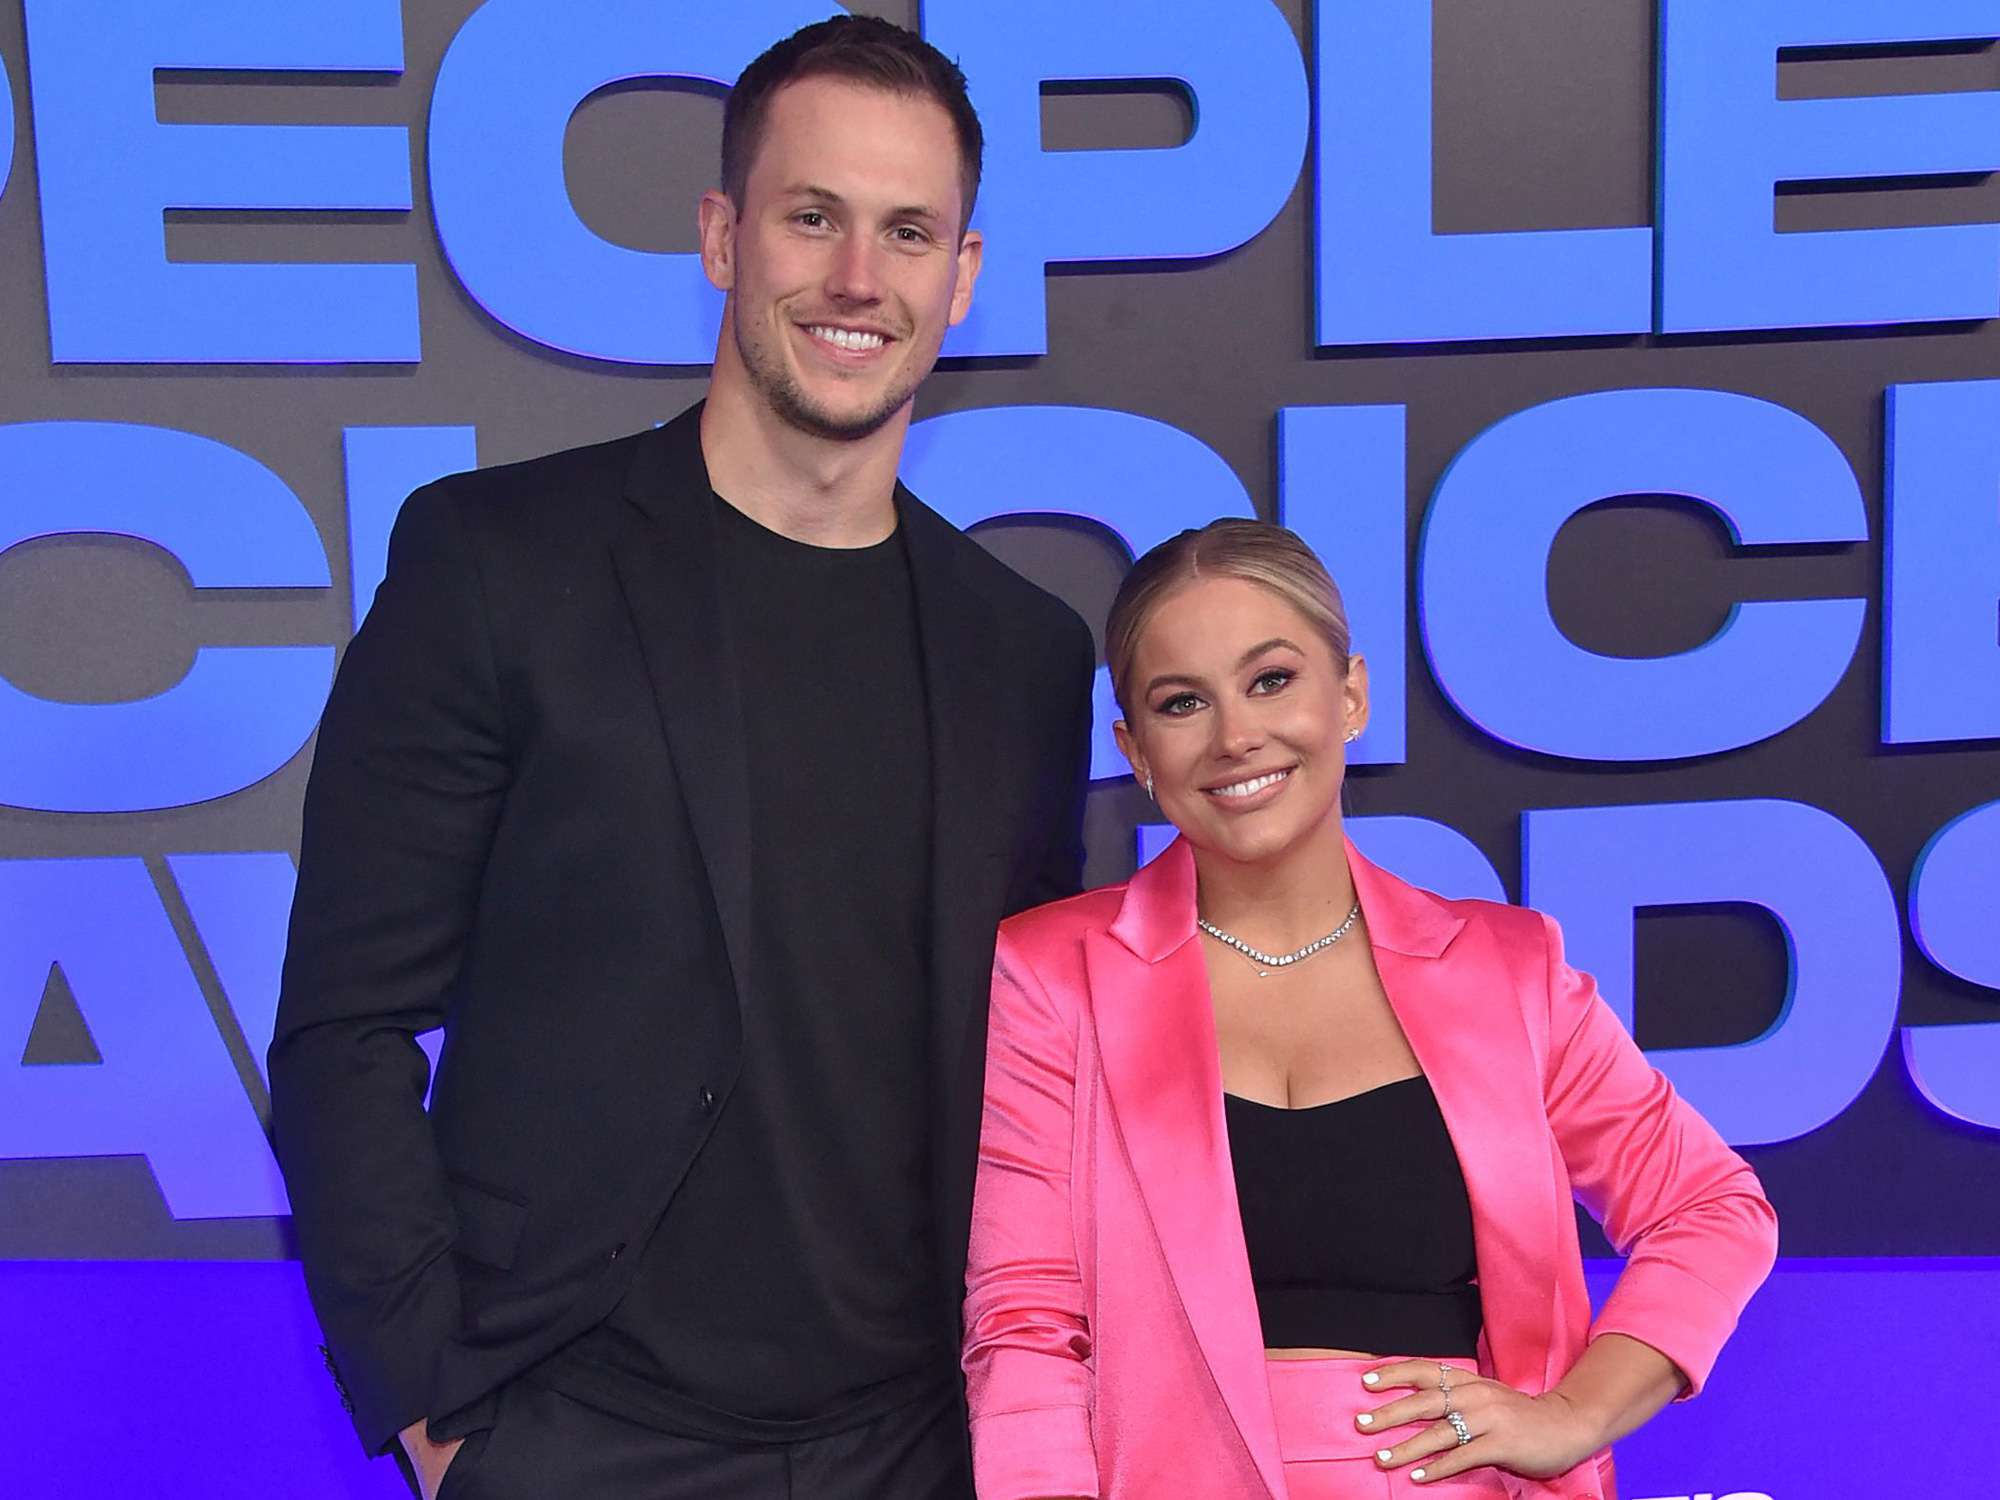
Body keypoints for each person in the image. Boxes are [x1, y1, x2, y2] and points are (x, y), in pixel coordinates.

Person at [269, 17, 1094, 1500]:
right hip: (571, 1432)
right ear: (722, 236)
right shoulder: (494, 566)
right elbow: (342, 1027)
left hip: (918, 1443)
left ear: (962, 278)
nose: (859, 277)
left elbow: (1039, 1087)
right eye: (811, 216)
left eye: (910, 231)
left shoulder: (1025, 655)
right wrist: (440, 1422)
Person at [961, 519, 1777, 1500]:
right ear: (1135, 751)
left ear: (1349, 695)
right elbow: (1025, 1324)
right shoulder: (1053, 973)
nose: (1235, 737)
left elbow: (1709, 1209)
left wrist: (1573, 1415)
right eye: (1182, 703)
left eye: (1271, 680)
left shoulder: (1509, 970)